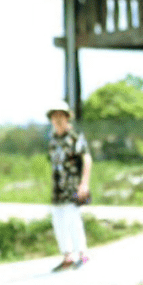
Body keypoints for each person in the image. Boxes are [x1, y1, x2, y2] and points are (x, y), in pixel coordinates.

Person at [46, 100, 91, 271]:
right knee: (58, 220)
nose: (57, 119)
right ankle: (67, 256)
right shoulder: (53, 141)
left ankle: (83, 255)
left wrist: (84, 183)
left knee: (73, 219)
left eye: (60, 116)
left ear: (67, 118)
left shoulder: (75, 138)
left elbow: (86, 159)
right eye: (54, 116)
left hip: (73, 184)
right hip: (57, 187)